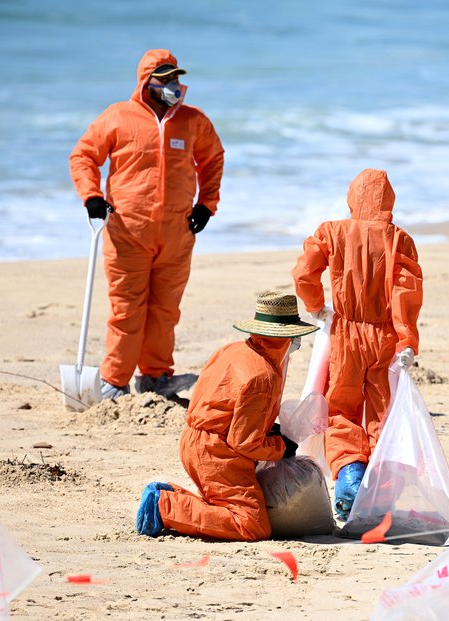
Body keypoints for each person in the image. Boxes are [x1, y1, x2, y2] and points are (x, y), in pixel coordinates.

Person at [69, 49, 224, 399]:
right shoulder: (118, 117)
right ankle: (115, 381)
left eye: (176, 78)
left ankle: (156, 377)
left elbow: (213, 159)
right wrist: (92, 196)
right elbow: (83, 156)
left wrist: (206, 204)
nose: (173, 84)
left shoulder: (192, 120)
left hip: (178, 232)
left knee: (165, 309)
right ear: (146, 81)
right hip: (127, 230)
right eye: (165, 78)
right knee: (127, 308)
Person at [291, 168, 423, 520]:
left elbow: (304, 273)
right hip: (385, 335)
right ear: (389, 201)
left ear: (352, 197)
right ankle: (377, 493)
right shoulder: (400, 239)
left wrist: (317, 307)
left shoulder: (331, 231)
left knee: (341, 409)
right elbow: (405, 292)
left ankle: (349, 475)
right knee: (383, 413)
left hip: (346, 332)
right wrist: (407, 338)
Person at [135, 291, 318, 540]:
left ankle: (167, 494)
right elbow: (244, 442)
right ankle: (164, 505)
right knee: (251, 525)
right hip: (216, 454)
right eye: (295, 337)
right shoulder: (264, 375)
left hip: (195, 441)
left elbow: (226, 407)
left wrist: (267, 428)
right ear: (285, 337)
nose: (296, 343)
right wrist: (279, 446)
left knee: (226, 504)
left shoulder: (231, 350)